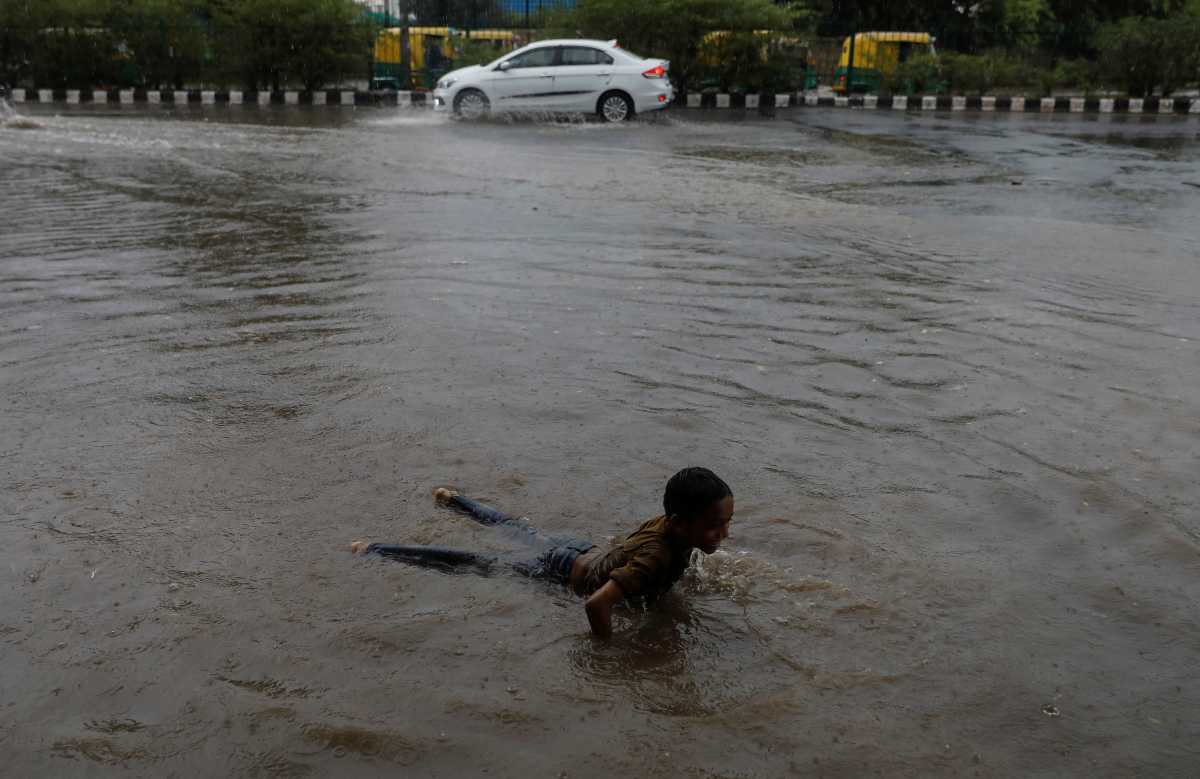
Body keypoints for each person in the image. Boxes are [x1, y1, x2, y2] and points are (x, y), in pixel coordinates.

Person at [350, 467, 733, 639]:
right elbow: (596, 605)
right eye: (715, 525)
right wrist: (606, 649)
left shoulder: (668, 524)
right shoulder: (658, 556)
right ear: (680, 523)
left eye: (727, 522)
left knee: (514, 528)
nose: (724, 533)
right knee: (476, 564)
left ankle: (452, 499)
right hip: (563, 571)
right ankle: (374, 548)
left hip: (584, 551)